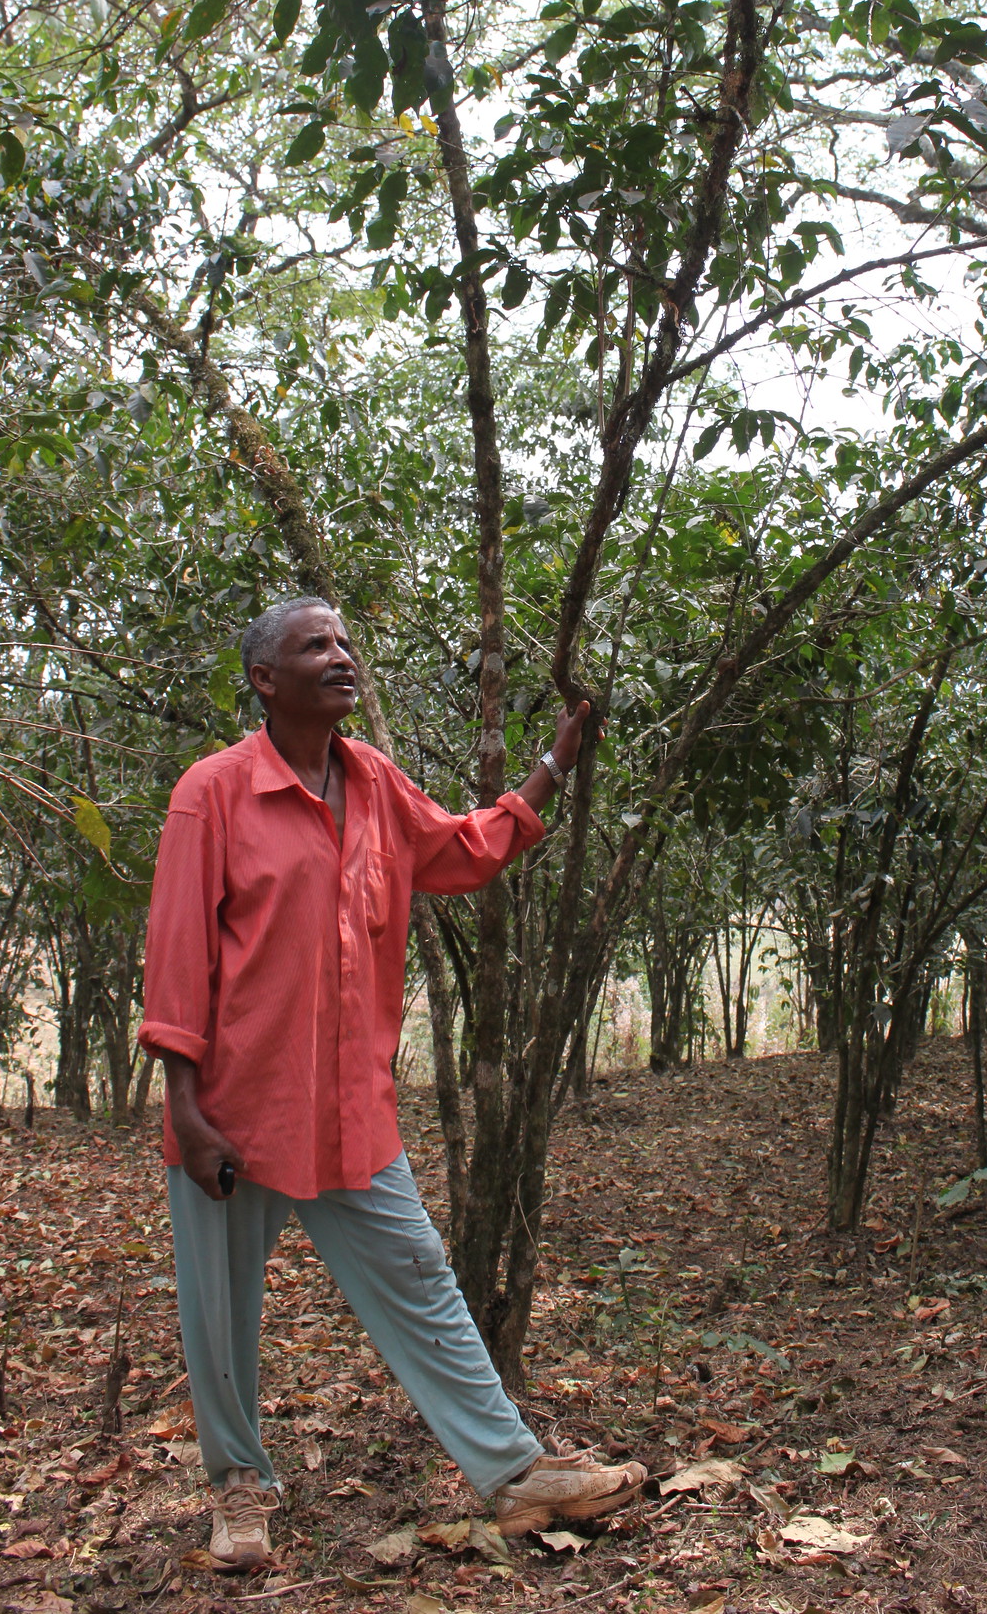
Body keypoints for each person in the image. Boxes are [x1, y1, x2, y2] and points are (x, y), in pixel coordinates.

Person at [138, 596, 645, 1570]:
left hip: (349, 1114)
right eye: (311, 645)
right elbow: (177, 961)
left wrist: (556, 762)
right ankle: (238, 1492)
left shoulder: (372, 783)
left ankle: (514, 1473)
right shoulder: (214, 793)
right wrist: (185, 1110)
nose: (338, 657)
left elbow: (463, 850)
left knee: (425, 1287)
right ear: (264, 680)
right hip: (231, 1116)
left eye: (341, 642)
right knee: (220, 1314)